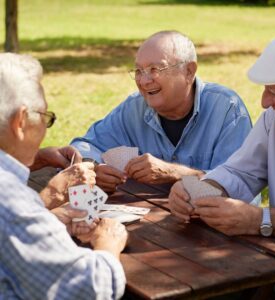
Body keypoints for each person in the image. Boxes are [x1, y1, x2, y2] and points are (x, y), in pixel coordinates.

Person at [168, 26, 275, 298]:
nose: (265, 102)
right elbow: (240, 171)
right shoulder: (274, 120)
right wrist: (202, 189)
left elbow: (259, 219)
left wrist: (261, 220)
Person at [0, 53, 127, 299]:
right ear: (21, 121)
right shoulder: (11, 200)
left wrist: (48, 218)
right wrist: (108, 243)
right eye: (46, 118)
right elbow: (88, 289)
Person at [71, 30, 252, 192]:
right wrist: (94, 168)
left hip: (213, 225)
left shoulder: (227, 109)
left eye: (154, 69)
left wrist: (175, 172)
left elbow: (239, 184)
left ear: (189, 71)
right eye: (138, 71)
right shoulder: (134, 108)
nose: (143, 81)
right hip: (152, 222)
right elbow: (83, 146)